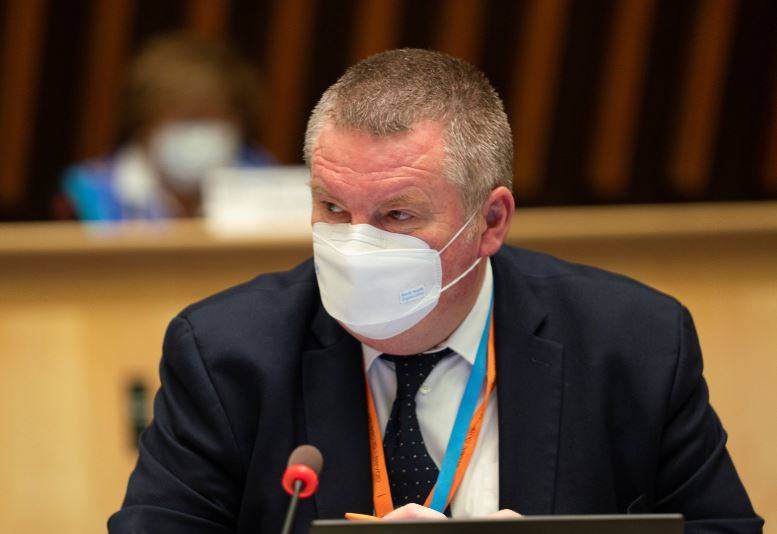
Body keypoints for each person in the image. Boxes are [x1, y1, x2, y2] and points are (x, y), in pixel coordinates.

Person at [108, 49, 763, 532]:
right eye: (332, 208)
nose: (355, 244)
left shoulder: (633, 343)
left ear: (491, 221)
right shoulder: (225, 355)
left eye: (396, 215)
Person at [61, 32, 274, 221]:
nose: (201, 132)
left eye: (216, 118)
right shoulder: (89, 192)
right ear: (145, 121)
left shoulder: (266, 181)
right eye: (189, 118)